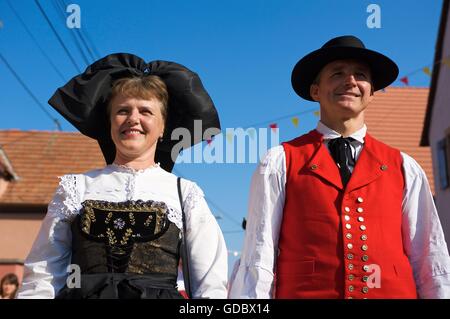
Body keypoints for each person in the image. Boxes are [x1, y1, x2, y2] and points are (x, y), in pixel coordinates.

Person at [229, 35, 450, 299]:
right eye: (337, 73)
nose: (351, 81)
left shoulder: (405, 167)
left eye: (360, 74)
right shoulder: (279, 162)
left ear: (371, 91)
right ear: (315, 91)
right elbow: (259, 254)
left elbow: (429, 257)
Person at [17, 53, 228, 299]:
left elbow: (209, 285)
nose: (133, 119)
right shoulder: (76, 188)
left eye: (146, 111)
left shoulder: (184, 193)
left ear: (163, 128)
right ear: (109, 123)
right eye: (123, 110)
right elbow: (43, 274)